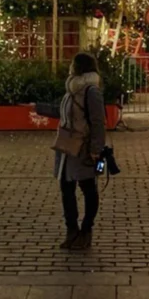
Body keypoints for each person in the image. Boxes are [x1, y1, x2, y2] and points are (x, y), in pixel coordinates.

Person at [51, 52, 106, 250]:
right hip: (66, 146)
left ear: (79, 66)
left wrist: (96, 150)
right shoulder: (72, 88)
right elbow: (62, 112)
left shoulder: (91, 91)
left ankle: (86, 231)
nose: (70, 66)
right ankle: (72, 231)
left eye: (72, 63)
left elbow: (99, 122)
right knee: (66, 189)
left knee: (88, 188)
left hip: (83, 148)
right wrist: (39, 108)